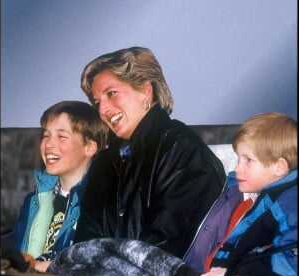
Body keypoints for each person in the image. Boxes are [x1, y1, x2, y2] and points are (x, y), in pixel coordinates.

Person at [74, 46, 226, 259]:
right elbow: (86, 239)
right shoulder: (106, 163)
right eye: (97, 102)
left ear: (146, 90)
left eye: (111, 94)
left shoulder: (181, 149)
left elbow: (164, 246)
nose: (102, 111)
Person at [184, 112, 297, 276]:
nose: (237, 168)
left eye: (248, 160)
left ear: (279, 167)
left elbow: (292, 261)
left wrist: (236, 274)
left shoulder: (290, 202)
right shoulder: (256, 198)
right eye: (238, 159)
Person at [2, 100, 108, 272]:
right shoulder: (34, 200)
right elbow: (13, 248)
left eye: (61, 136)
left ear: (89, 147)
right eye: (46, 135)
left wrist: (31, 267)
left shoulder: (100, 201)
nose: (49, 144)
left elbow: (92, 261)